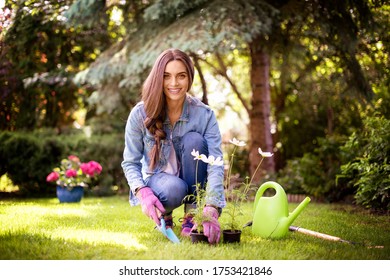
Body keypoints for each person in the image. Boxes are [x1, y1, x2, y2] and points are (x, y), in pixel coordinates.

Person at [121, 48, 226, 244]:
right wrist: (142, 192)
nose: (174, 83)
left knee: (194, 140)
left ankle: (192, 215)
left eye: (181, 76)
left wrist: (211, 205)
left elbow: (216, 163)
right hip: (161, 183)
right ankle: (165, 214)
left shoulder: (204, 115)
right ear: (158, 78)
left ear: (189, 78)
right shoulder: (140, 114)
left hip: (193, 181)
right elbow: (130, 162)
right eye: (166, 76)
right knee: (174, 188)